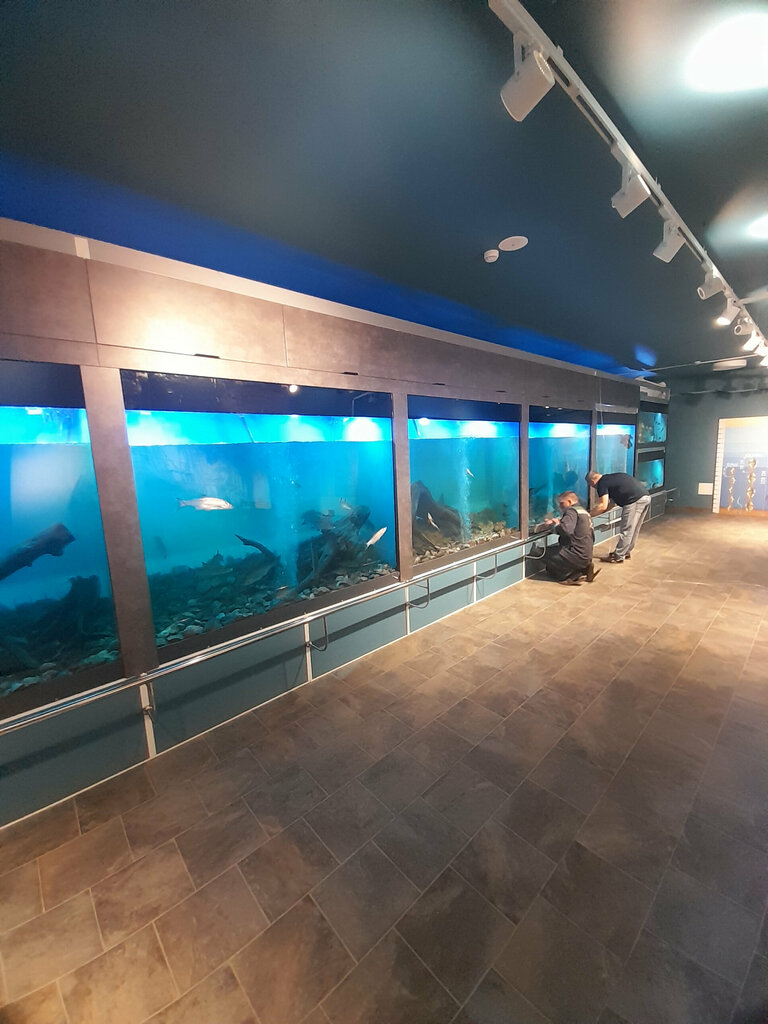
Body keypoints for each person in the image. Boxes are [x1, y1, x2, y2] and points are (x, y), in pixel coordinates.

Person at [586, 470, 651, 563]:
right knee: (634, 528)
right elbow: (611, 504)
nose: (593, 487)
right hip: (645, 496)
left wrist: (588, 515)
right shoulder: (611, 479)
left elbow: (603, 505)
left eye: (591, 485)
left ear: (592, 481)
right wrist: (600, 512)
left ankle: (618, 556)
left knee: (627, 529)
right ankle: (625, 552)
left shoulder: (601, 483)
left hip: (634, 500)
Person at [541, 491, 597, 585]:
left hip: (575, 554)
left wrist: (553, 525)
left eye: (562, 503)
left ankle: (571, 576)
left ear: (570, 502)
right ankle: (583, 568)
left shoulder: (571, 511)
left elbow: (566, 530)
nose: (560, 506)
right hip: (587, 554)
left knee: (540, 553)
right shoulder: (584, 512)